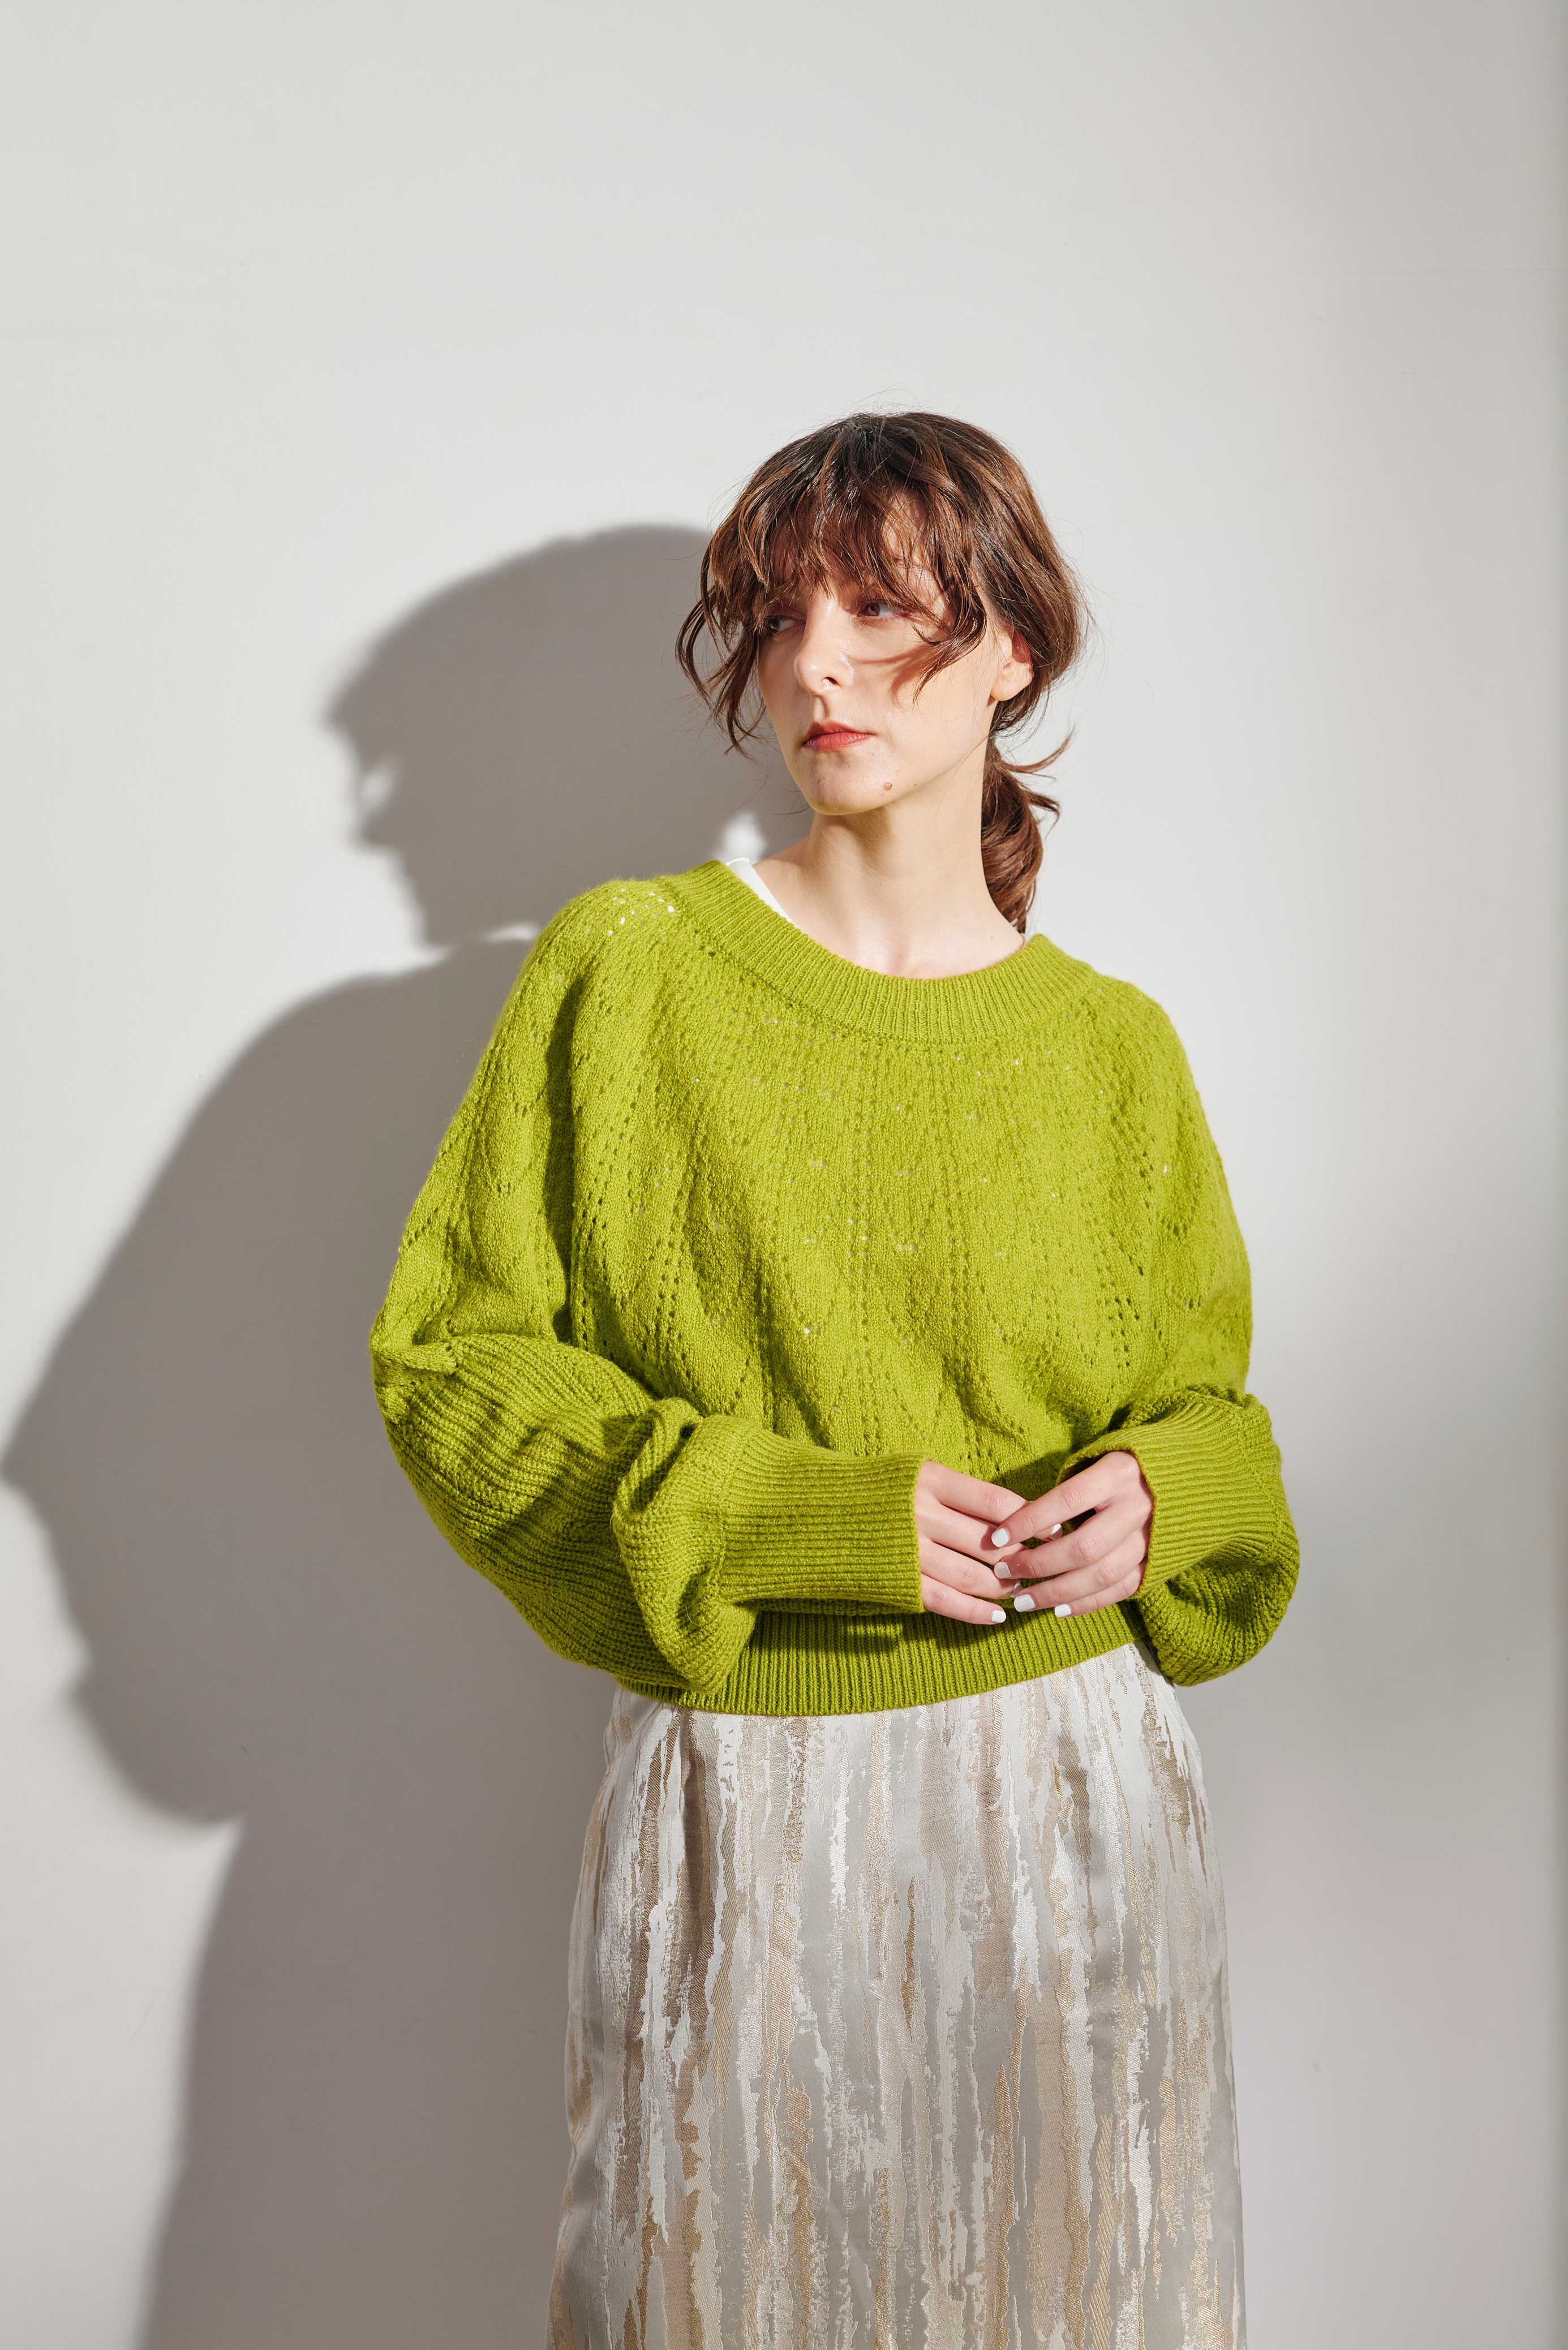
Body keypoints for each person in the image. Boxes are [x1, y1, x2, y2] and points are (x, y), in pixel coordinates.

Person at [367, 409, 1299, 2348]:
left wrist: (1168, 1494)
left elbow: (1210, 1410)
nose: (816, 666)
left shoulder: (1112, 1050)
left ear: (1012, 648)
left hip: (1074, 1807)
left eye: (880, 610)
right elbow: (453, 1361)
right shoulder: (630, 971)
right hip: (751, 1804)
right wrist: (794, 1519)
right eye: (781, 618)